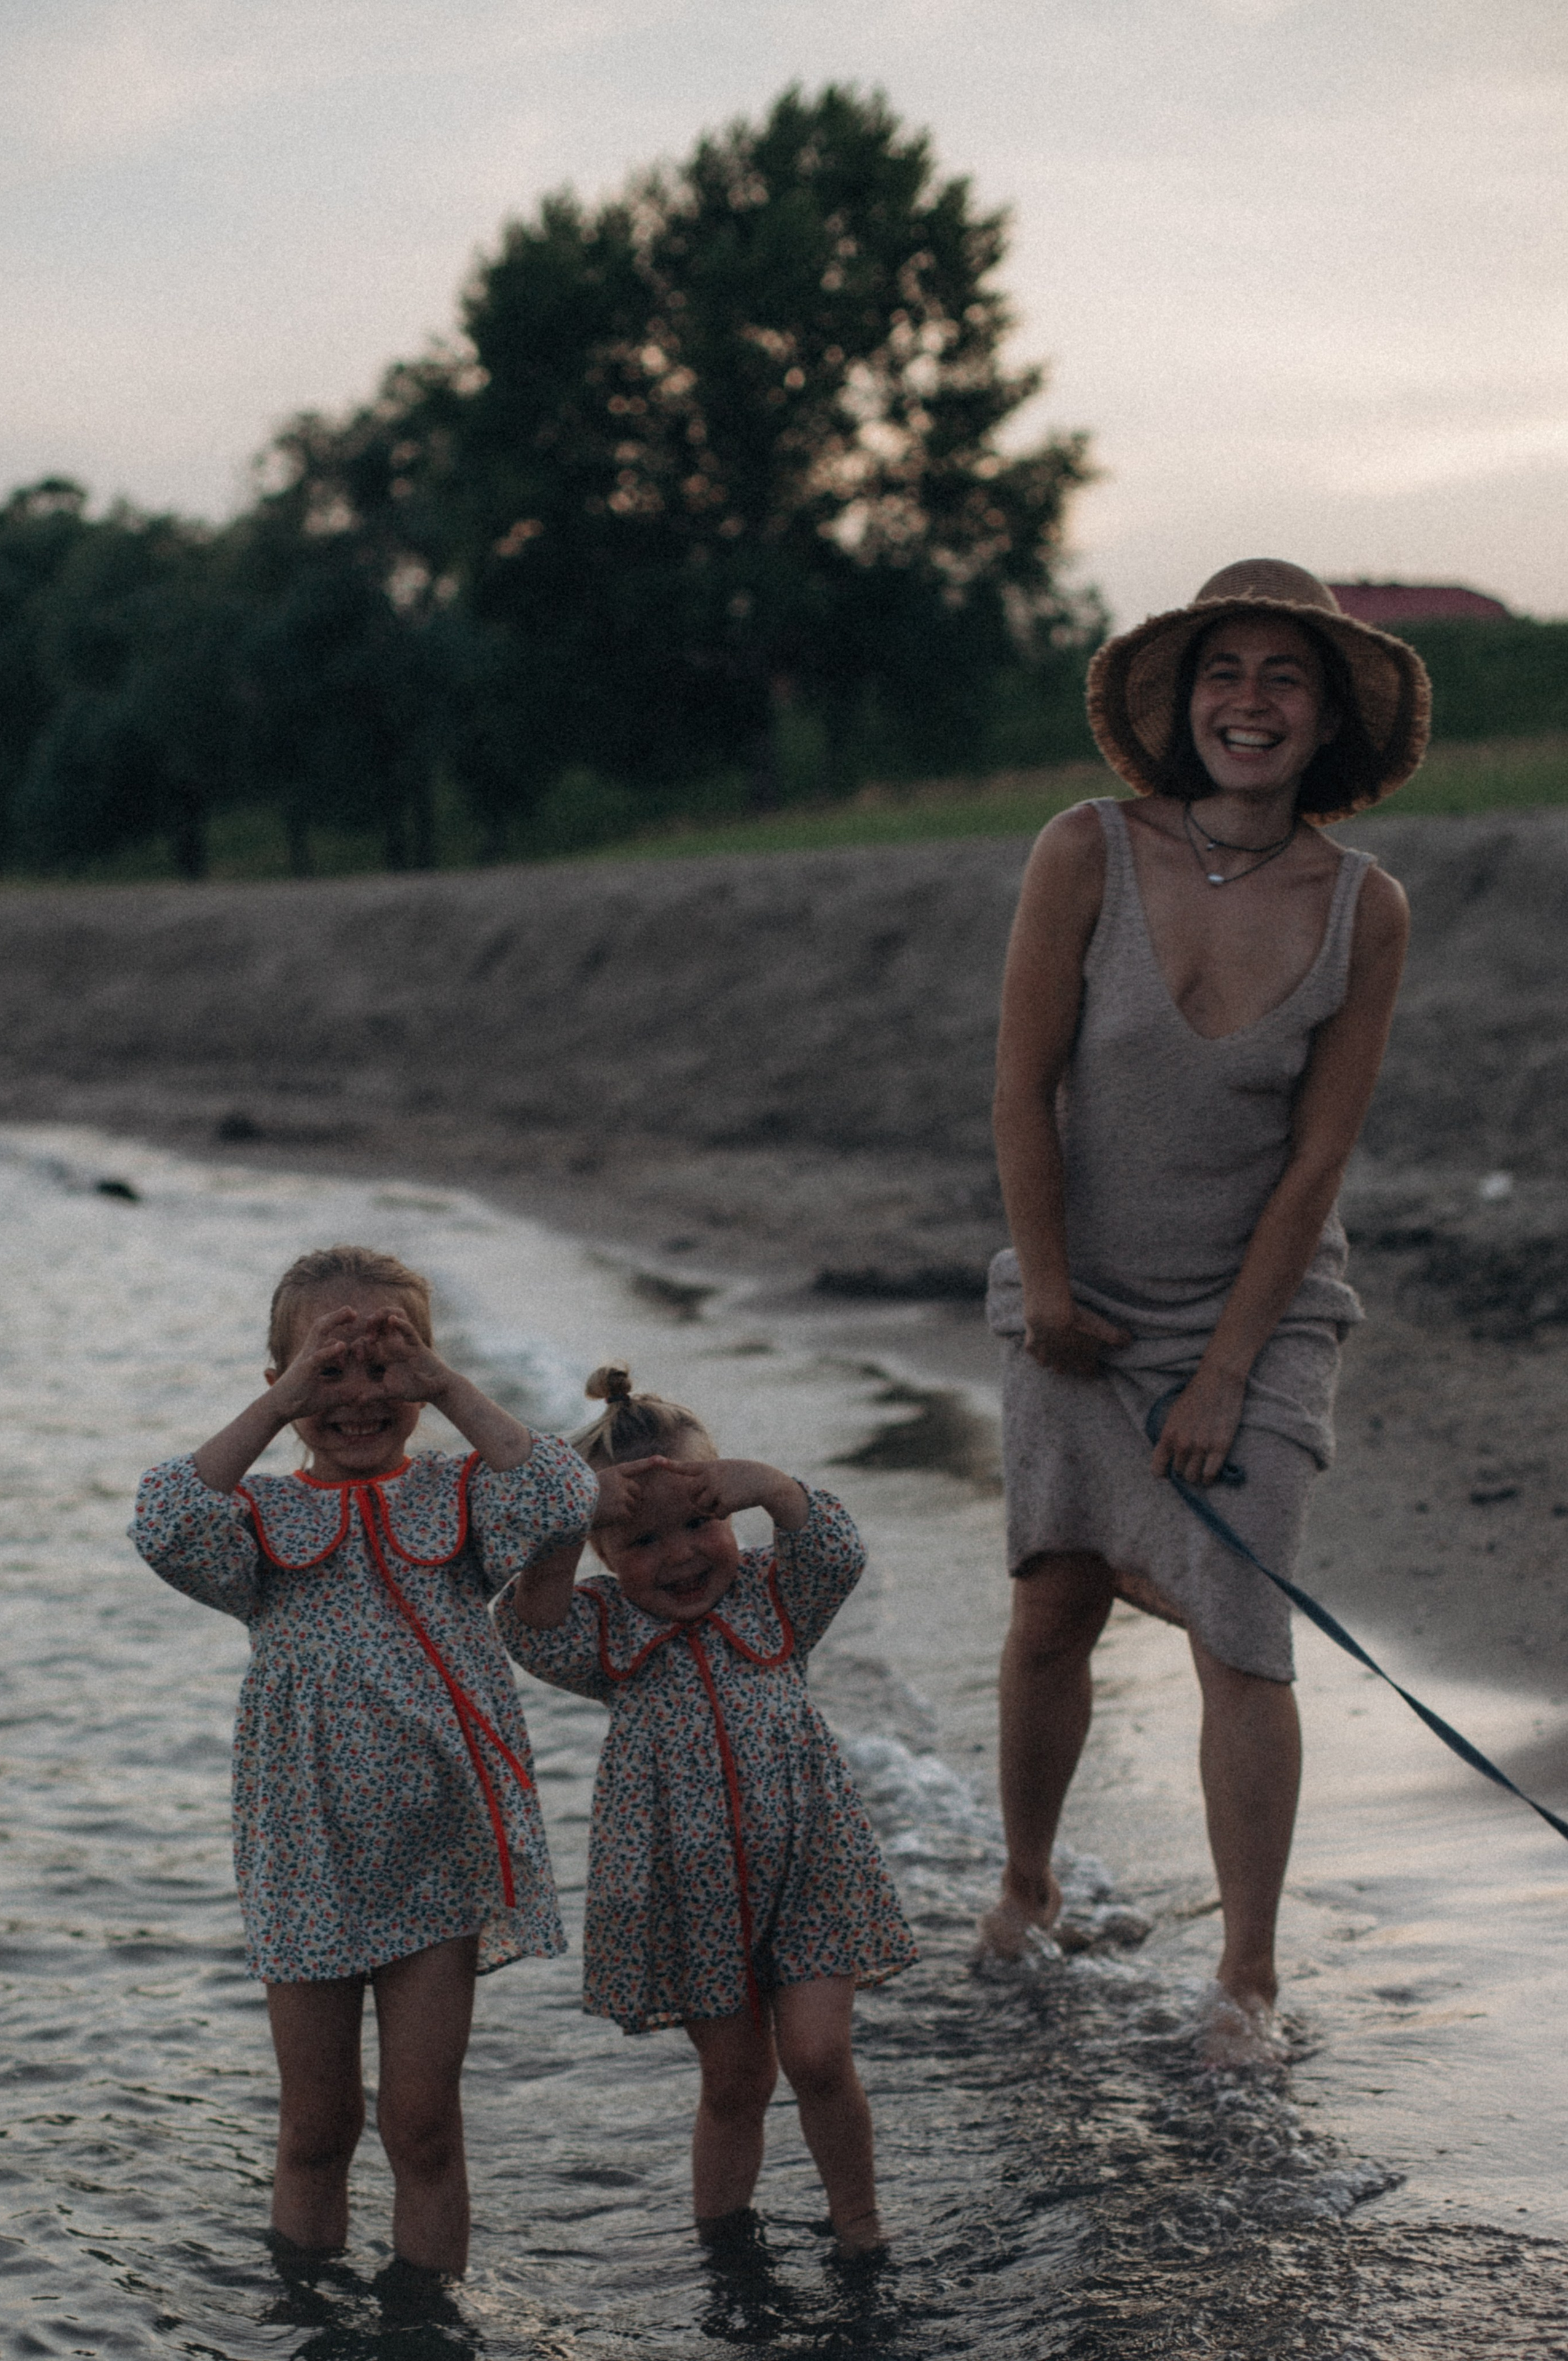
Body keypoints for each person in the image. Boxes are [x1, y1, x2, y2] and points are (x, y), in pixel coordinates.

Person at [978, 560, 1430, 2058]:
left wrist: (1226, 1369)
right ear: (1179, 704)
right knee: (1054, 1600)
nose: (1248, 702)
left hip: (1261, 1311)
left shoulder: (1363, 908)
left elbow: (1317, 1158)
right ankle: (1026, 1885)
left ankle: (1246, 1979)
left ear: (1326, 718)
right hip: (1079, 1293)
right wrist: (1048, 1292)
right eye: (1221, 672)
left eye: (1281, 677)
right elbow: (1020, 1089)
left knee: (1241, 1628)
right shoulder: (1083, 850)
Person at [130, 1244, 617, 2279]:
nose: (358, 1396)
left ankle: (425, 2327)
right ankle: (308, 2317)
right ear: (284, 1383)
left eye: (385, 1369)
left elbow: (565, 1493)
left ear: (426, 1376)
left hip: (440, 1859)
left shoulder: (464, 1495)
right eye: (329, 1371)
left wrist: (445, 1385)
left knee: (423, 2127)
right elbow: (162, 1520)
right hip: (306, 1861)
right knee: (316, 2128)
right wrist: (280, 1407)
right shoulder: (257, 1523)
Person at [496, 1365, 916, 2253]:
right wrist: (567, 1517)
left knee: (818, 2058)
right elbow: (527, 1626)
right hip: (691, 1896)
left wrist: (768, 1484)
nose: (681, 1555)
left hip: (810, 1869)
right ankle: (724, 2244)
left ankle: (860, 2222)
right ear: (603, 1553)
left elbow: (836, 1551)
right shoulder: (605, 1628)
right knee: (735, 2082)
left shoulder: (775, 1595)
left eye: (700, 1521)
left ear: (729, 1509)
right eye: (643, 1540)